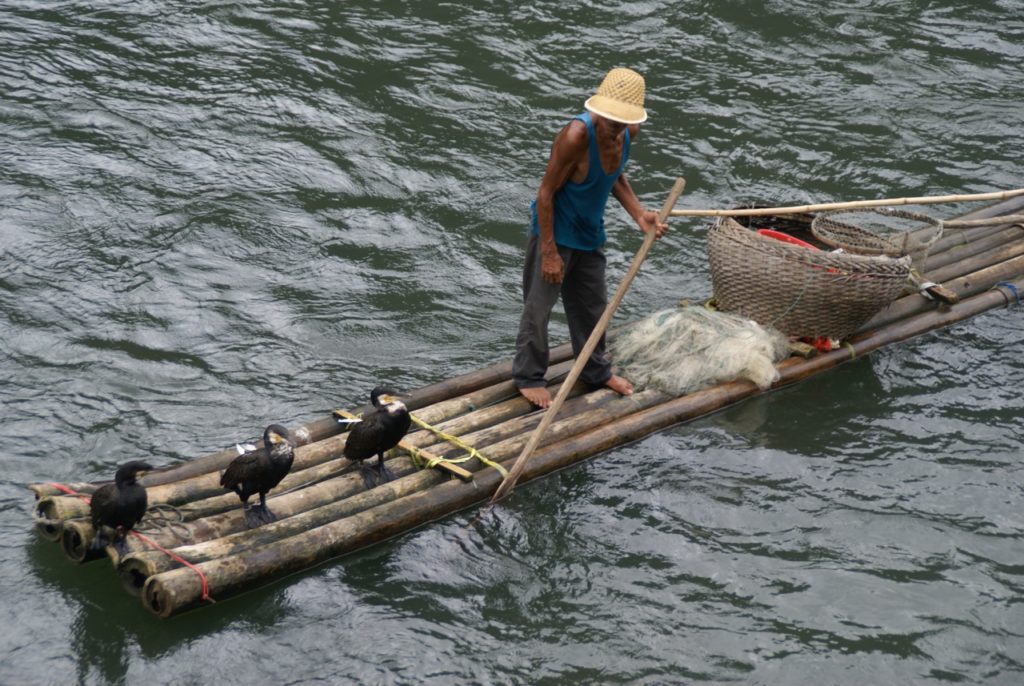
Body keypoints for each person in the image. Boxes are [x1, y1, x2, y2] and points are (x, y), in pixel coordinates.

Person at [513, 67, 669, 409]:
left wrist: (639, 214)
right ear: (597, 109)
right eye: (608, 119)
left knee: (593, 308)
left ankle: (596, 371)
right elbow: (545, 193)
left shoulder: (629, 132)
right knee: (538, 309)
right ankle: (529, 376)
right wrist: (550, 252)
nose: (613, 127)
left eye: (619, 121)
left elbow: (614, 175)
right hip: (555, 233)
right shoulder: (576, 135)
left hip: (590, 234)